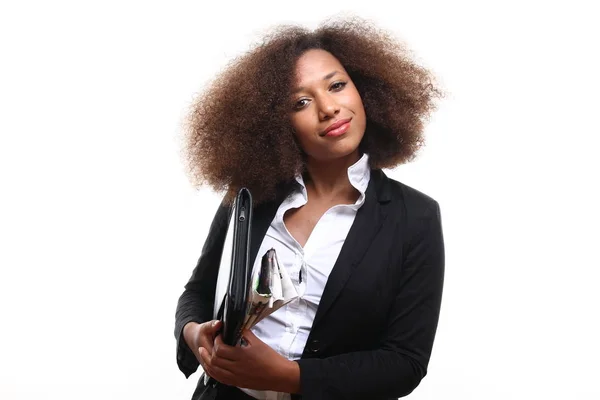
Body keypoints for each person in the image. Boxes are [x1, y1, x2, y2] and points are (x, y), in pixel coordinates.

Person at [175, 16, 445, 400]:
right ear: (276, 123)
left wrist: (289, 376)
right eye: (301, 102)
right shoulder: (250, 197)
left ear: (366, 91)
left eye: (337, 86)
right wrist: (194, 332)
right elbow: (197, 292)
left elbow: (405, 362)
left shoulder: (414, 217)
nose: (328, 108)